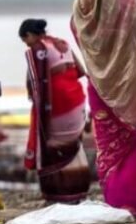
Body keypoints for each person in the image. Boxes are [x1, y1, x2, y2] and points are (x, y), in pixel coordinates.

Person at [71, 0, 136, 217]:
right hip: (130, 83)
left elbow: (80, 38)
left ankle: (117, 199)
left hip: (98, 85)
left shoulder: (81, 6)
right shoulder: (129, 1)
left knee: (110, 144)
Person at [19, 18, 90, 203]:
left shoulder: (38, 50)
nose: (26, 44)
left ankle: (58, 194)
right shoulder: (63, 44)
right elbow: (81, 71)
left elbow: (33, 81)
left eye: (24, 40)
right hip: (76, 100)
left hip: (57, 105)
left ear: (29, 35)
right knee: (72, 145)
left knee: (51, 145)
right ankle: (78, 190)